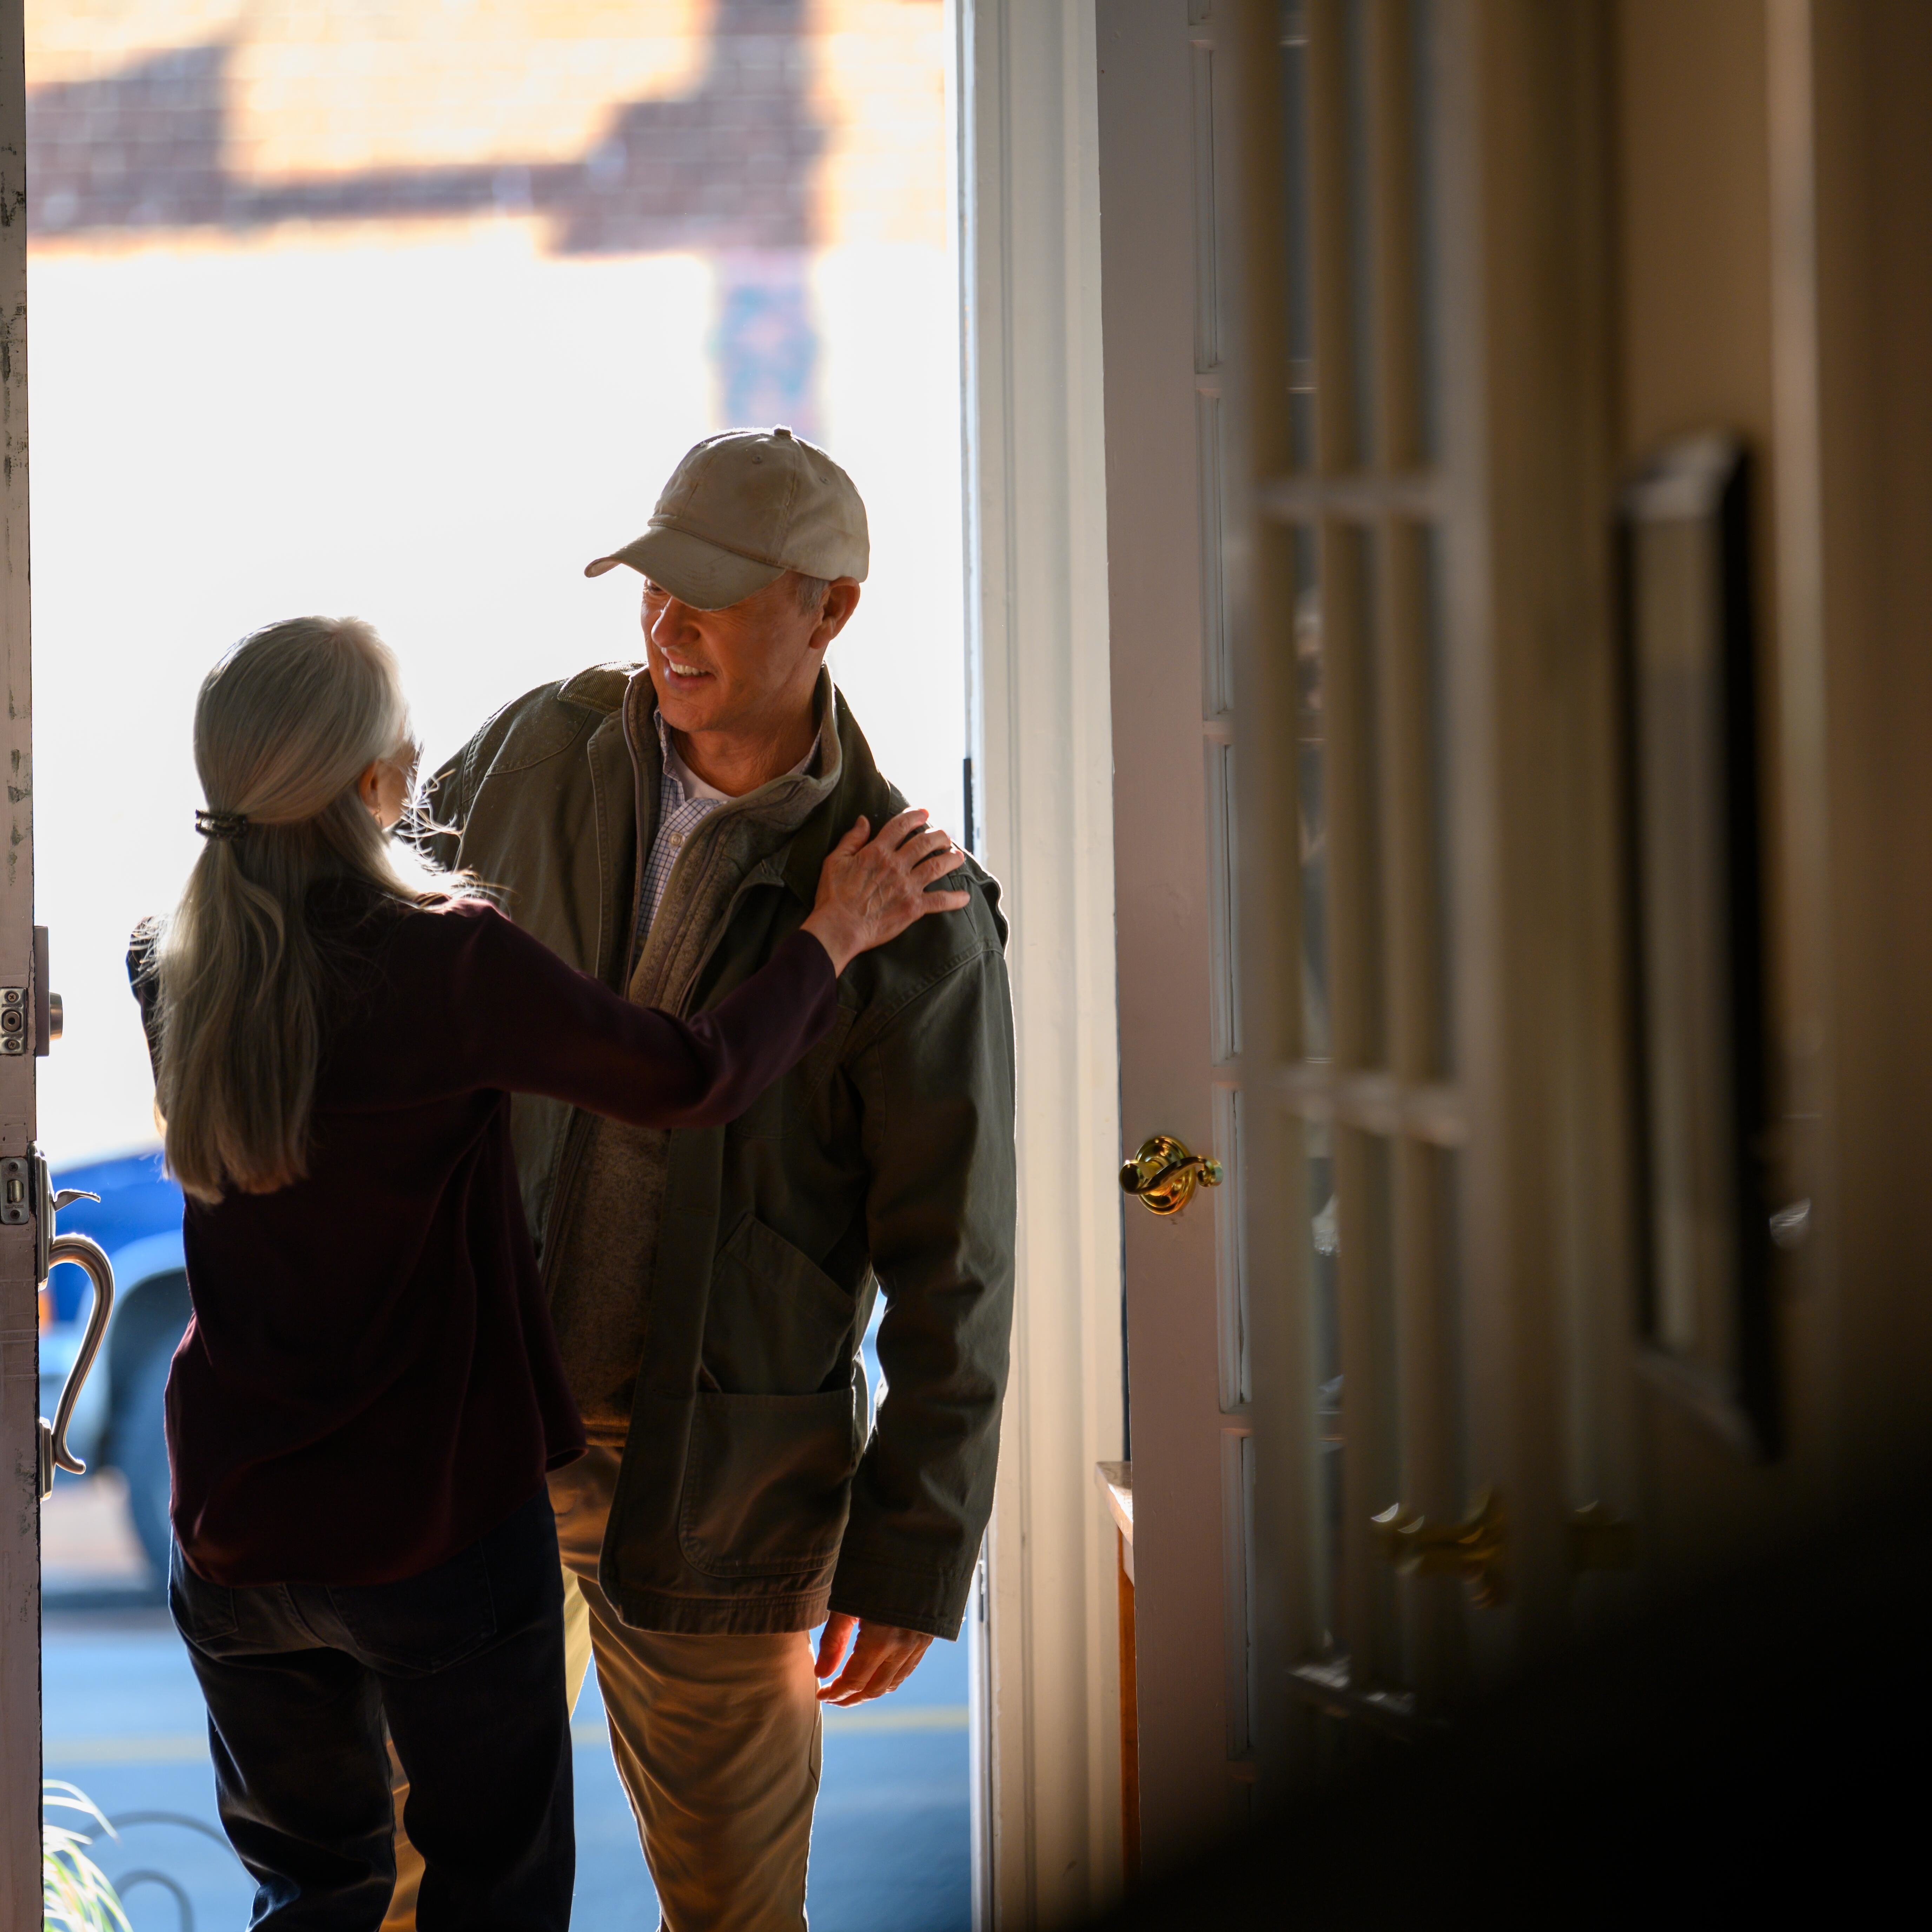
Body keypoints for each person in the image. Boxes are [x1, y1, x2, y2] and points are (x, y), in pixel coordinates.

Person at [137, 615, 966, 1932]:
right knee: (497, 1896)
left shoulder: (171, 960)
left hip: (234, 1539)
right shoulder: (446, 957)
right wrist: (831, 935)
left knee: (316, 1897)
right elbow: (692, 1077)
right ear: (375, 781)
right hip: (432, 1530)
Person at [409, 427, 1016, 1930]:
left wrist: (913, 1546)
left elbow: (957, 1259)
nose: (668, 623)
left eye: (714, 593)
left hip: (725, 1480)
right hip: (483, 1434)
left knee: (735, 1909)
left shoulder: (916, 912)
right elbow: (368, 961)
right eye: (653, 585)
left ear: (831, 608)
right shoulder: (531, 753)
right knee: (405, 1884)